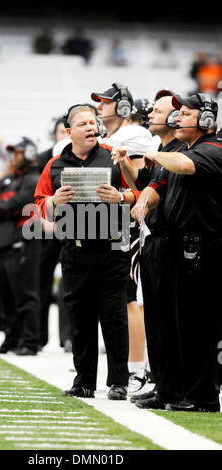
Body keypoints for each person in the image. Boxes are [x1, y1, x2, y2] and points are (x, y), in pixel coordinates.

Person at [34, 104, 137, 400]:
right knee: (80, 318)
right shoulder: (54, 164)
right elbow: (40, 203)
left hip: (112, 248)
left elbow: (140, 190)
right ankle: (84, 381)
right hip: (75, 250)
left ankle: (119, 381)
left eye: (94, 122)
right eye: (83, 124)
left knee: (114, 317)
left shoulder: (114, 155)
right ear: (69, 132)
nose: (91, 127)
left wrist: (120, 197)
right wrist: (55, 202)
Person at [131, 93, 222, 412]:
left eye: (186, 114)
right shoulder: (187, 150)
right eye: (178, 113)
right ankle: (173, 389)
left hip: (205, 248)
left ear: (207, 120)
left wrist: (156, 157)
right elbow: (161, 187)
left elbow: (182, 166)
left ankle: (203, 396)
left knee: (200, 326)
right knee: (174, 324)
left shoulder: (213, 149)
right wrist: (144, 196)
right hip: (179, 247)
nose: (178, 118)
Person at [115, 94, 185, 402]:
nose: (150, 115)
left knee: (171, 318)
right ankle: (162, 384)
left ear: (173, 118)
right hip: (155, 238)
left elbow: (152, 193)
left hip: (172, 240)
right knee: (156, 315)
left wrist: (142, 199)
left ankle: (175, 386)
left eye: (157, 111)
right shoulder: (160, 150)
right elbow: (141, 184)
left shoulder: (179, 152)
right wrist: (125, 164)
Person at [91, 83, 155, 396]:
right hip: (111, 227)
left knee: (130, 298)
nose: (101, 108)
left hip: (130, 227)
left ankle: (136, 369)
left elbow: (141, 181)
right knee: (119, 299)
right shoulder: (111, 138)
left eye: (106, 103)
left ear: (124, 108)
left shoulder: (135, 136)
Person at [0, 137, 41, 356]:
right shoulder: (10, 179)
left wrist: (4, 202)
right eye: (14, 153)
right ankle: (11, 338)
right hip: (6, 243)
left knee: (26, 293)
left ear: (28, 154)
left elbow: (15, 203)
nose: (14, 157)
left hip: (23, 242)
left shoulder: (33, 179)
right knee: (6, 294)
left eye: (18, 152)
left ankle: (29, 341)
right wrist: (4, 202)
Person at [37, 117, 73, 351]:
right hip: (47, 226)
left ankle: (68, 337)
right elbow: (38, 195)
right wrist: (43, 222)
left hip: (72, 226)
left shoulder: (81, 157)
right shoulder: (44, 159)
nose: (64, 136)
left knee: (69, 283)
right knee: (40, 281)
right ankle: (38, 336)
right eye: (61, 131)